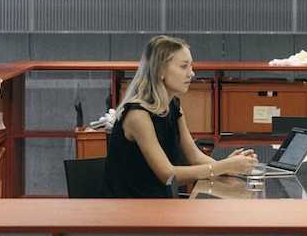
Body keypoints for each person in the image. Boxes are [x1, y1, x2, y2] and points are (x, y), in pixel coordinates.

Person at [102, 36, 255, 197]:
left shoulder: (173, 106)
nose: (192, 73)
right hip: (130, 207)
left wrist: (230, 167)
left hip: (157, 203)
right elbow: (168, 175)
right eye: (183, 67)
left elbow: (194, 156)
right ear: (160, 71)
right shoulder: (137, 115)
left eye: (191, 66)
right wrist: (224, 166)